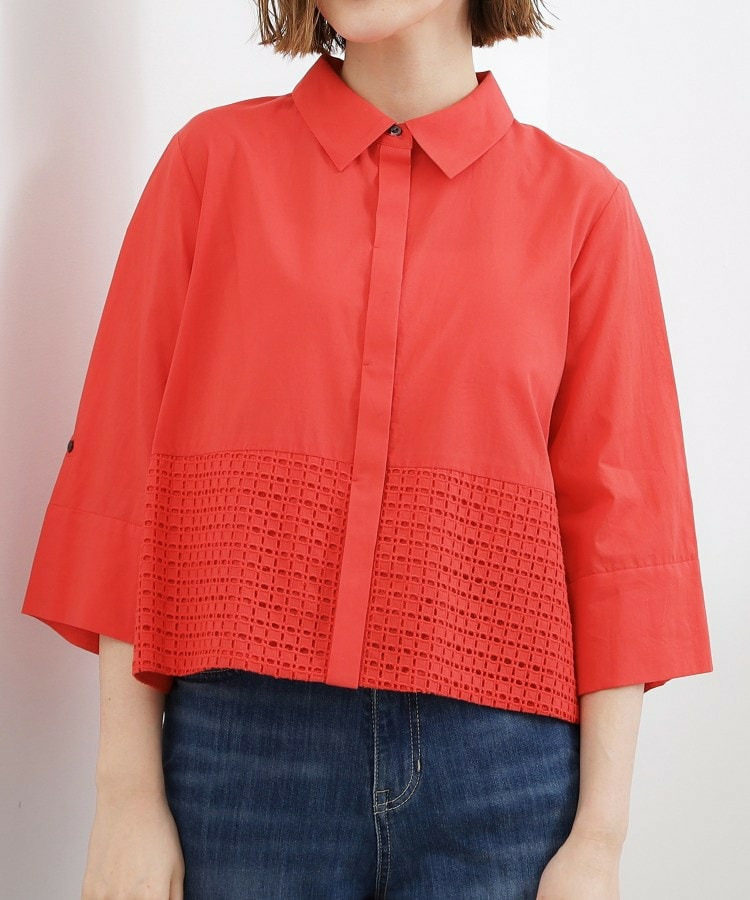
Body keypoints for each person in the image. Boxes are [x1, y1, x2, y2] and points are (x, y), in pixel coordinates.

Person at [21, 1, 714, 897]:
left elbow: (622, 538)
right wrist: (124, 795)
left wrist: (601, 839)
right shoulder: (211, 167)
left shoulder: (585, 211)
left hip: (503, 772)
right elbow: (123, 478)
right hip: (244, 760)